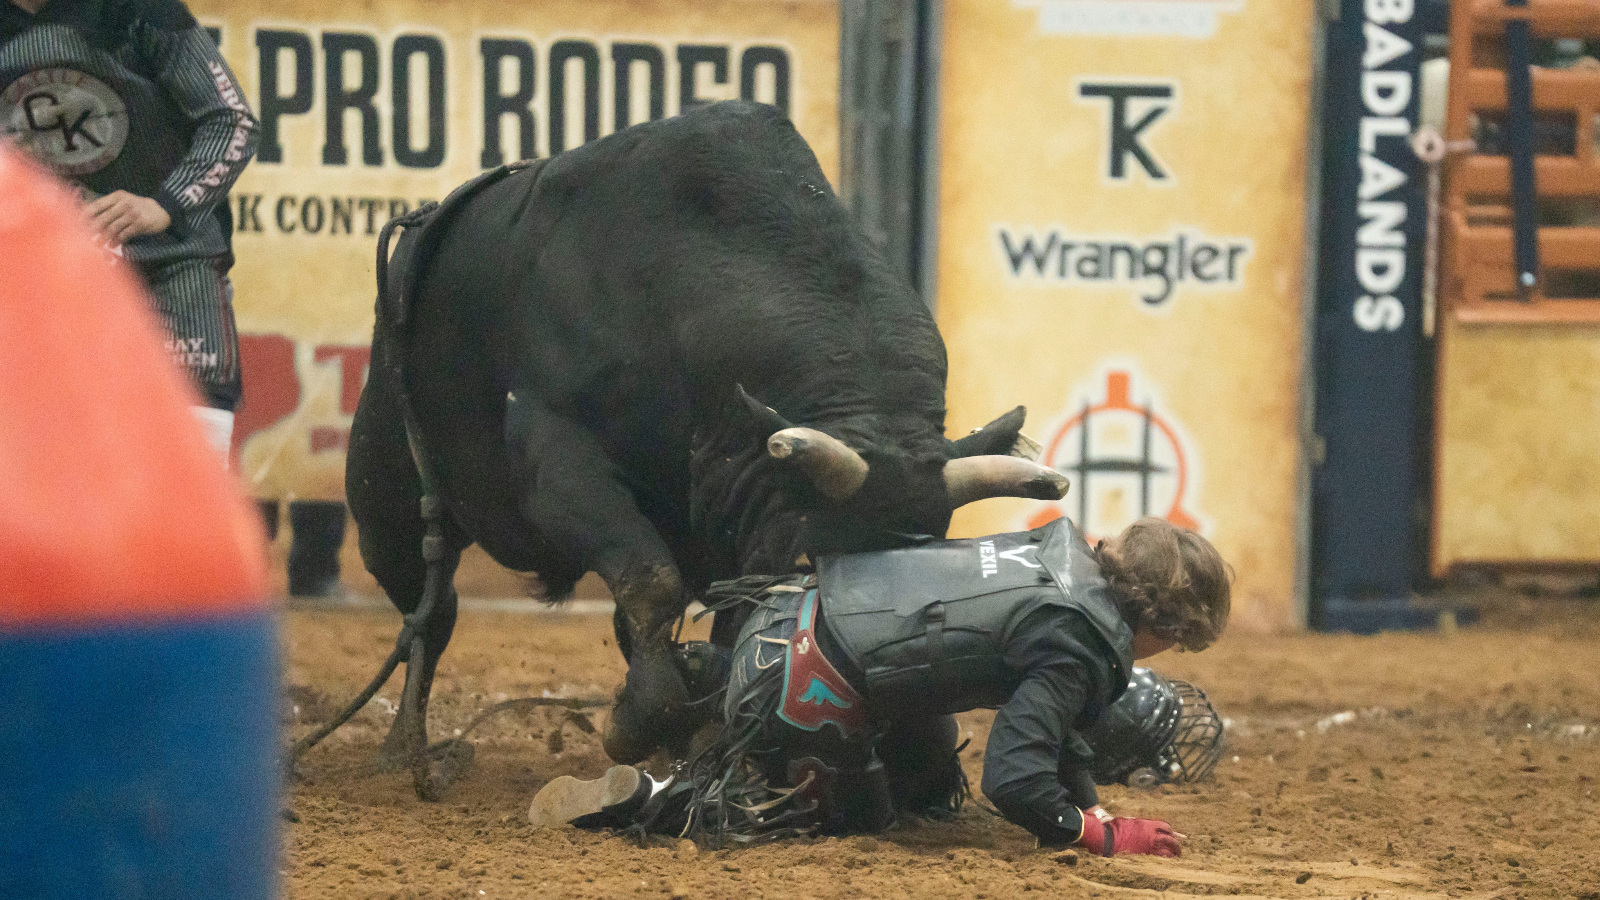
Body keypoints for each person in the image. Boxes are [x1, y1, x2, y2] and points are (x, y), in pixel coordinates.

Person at [529, 515, 1232, 857]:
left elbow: (1060, 731)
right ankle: (658, 800)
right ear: (1161, 626)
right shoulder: (1083, 644)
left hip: (781, 612)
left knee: (928, 778)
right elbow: (1015, 777)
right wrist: (1098, 835)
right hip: (806, 689)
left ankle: (705, 674)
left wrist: (1091, 803)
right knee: (863, 820)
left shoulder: (1061, 556)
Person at [2, 0, 258, 463]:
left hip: (171, 273)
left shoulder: (138, 8)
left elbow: (232, 120)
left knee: (189, 477)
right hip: (38, 286)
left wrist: (167, 205)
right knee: (51, 483)